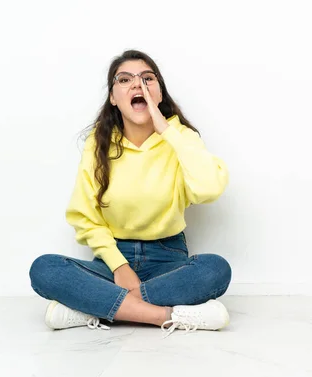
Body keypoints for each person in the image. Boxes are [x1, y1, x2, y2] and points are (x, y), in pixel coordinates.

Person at [29, 50, 232, 336]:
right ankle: (164, 315)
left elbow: (210, 188)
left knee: (215, 270)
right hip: (113, 259)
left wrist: (164, 128)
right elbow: (84, 216)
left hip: (168, 258)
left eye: (147, 78)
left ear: (159, 92)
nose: (137, 85)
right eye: (125, 79)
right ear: (113, 97)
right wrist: (119, 266)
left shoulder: (181, 139)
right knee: (44, 269)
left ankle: (94, 307)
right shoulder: (98, 144)